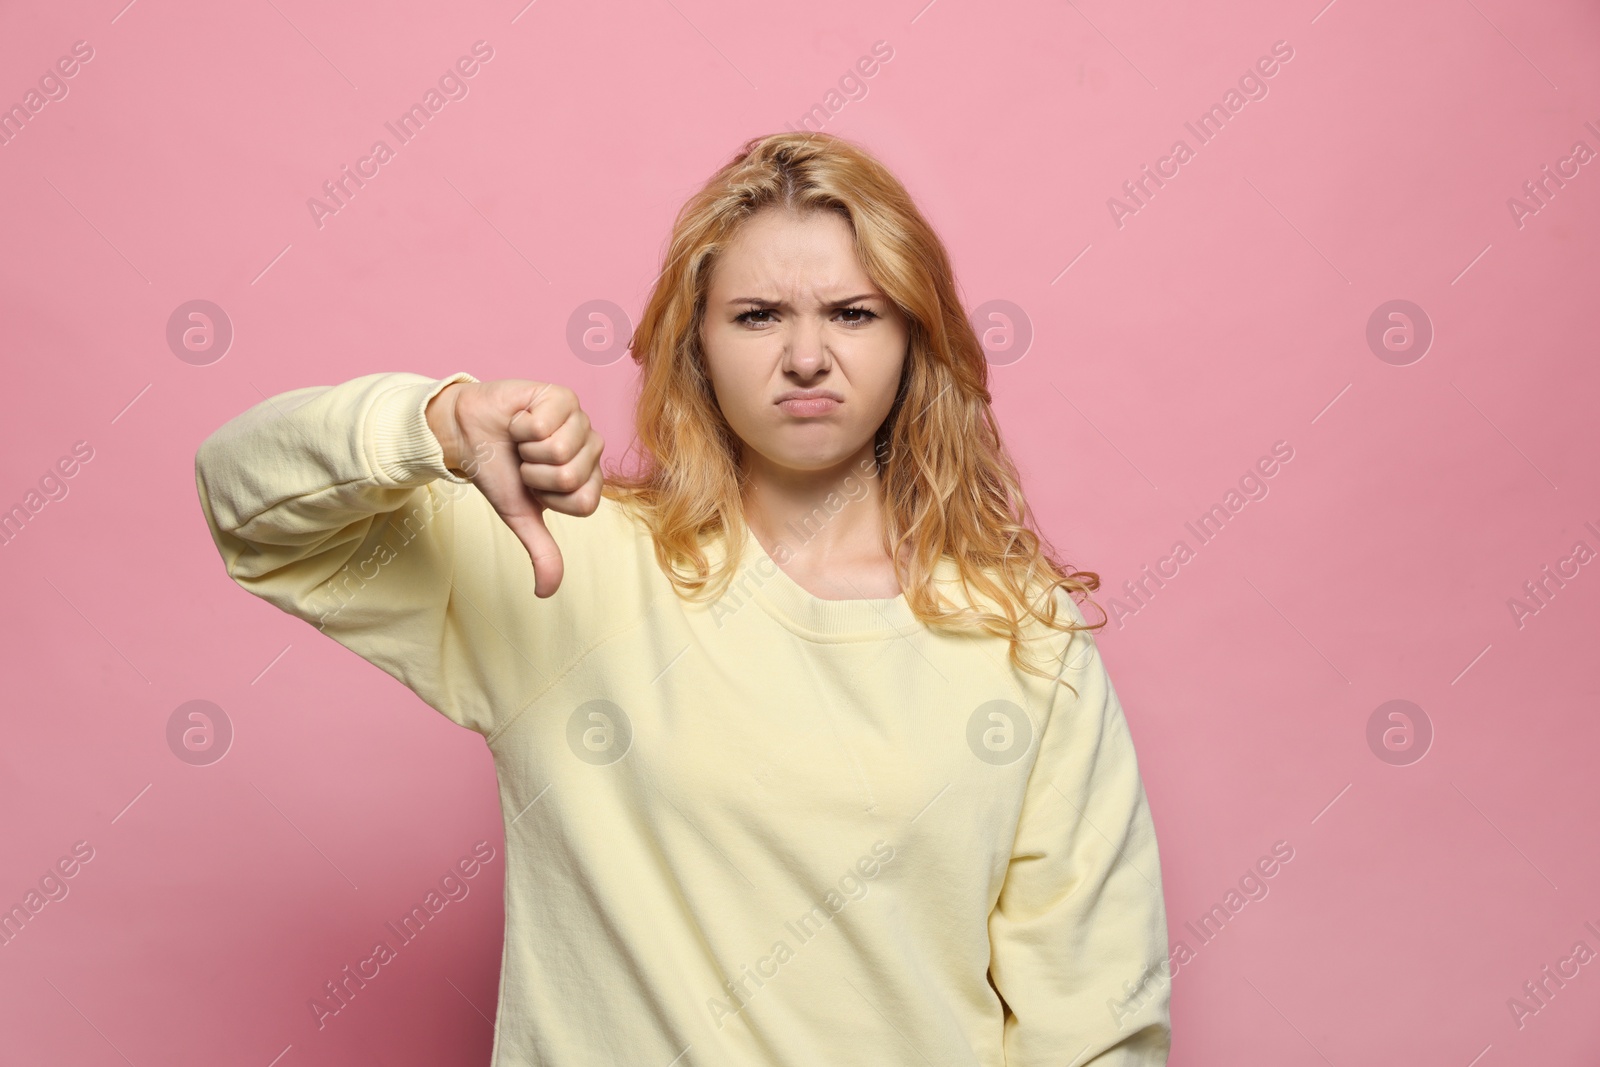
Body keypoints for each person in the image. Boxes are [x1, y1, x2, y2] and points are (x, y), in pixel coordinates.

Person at [194, 130, 1171, 1066]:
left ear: (916, 336)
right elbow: (247, 501)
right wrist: (436, 420)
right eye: (758, 314)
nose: (805, 357)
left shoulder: (1021, 634)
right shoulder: (569, 560)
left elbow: (1092, 1019)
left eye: (853, 312)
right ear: (695, 343)